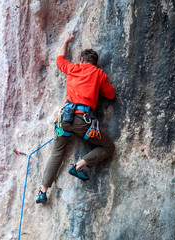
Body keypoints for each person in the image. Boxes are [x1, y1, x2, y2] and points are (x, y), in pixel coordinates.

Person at [36, 32, 115, 204]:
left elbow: (59, 59)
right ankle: (79, 165)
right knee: (108, 147)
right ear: (94, 63)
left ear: (81, 60)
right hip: (82, 121)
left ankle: (42, 191)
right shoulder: (98, 74)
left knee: (57, 153)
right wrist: (97, 87)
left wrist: (65, 40)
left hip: (64, 118)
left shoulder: (73, 68)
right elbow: (110, 94)